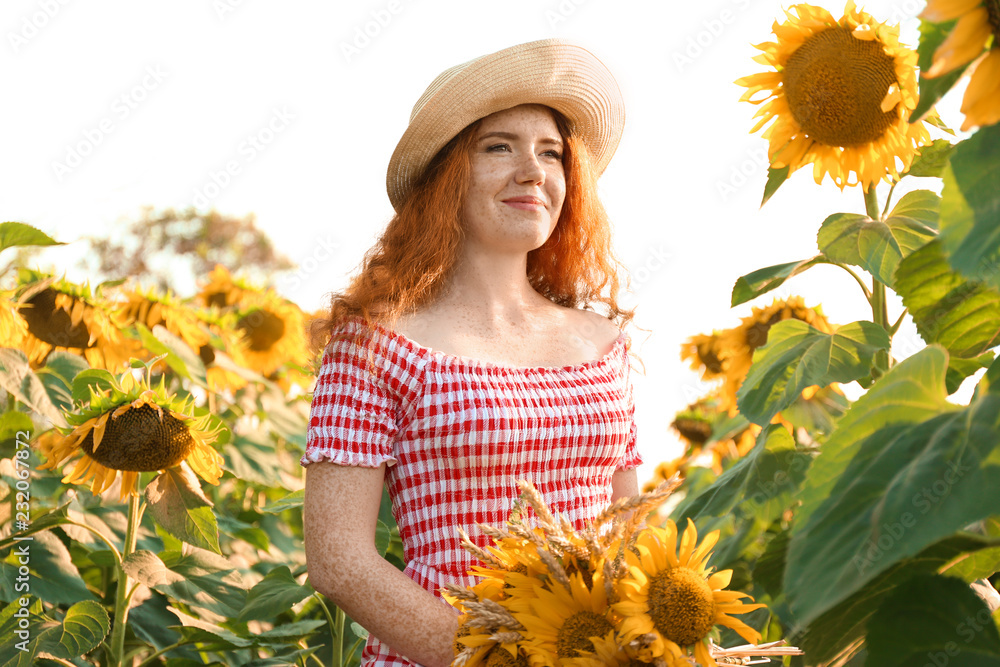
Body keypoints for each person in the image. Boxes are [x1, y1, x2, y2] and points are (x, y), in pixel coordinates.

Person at [300, 38, 641, 667]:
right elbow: (338, 559)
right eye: (498, 146)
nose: (533, 171)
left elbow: (630, 534)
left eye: (551, 153)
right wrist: (490, 658)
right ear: (448, 177)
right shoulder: (374, 344)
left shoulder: (603, 346)